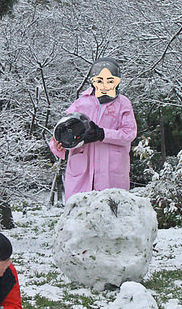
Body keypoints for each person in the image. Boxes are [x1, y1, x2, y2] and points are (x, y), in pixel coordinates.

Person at [49, 58, 137, 201]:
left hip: (111, 171)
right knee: (80, 214)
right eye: (99, 80)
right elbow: (62, 130)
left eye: (110, 80)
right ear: (93, 80)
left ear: (117, 81)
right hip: (82, 172)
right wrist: (59, 145)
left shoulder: (123, 103)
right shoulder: (80, 103)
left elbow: (129, 133)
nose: (104, 84)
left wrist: (102, 134)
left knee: (112, 212)